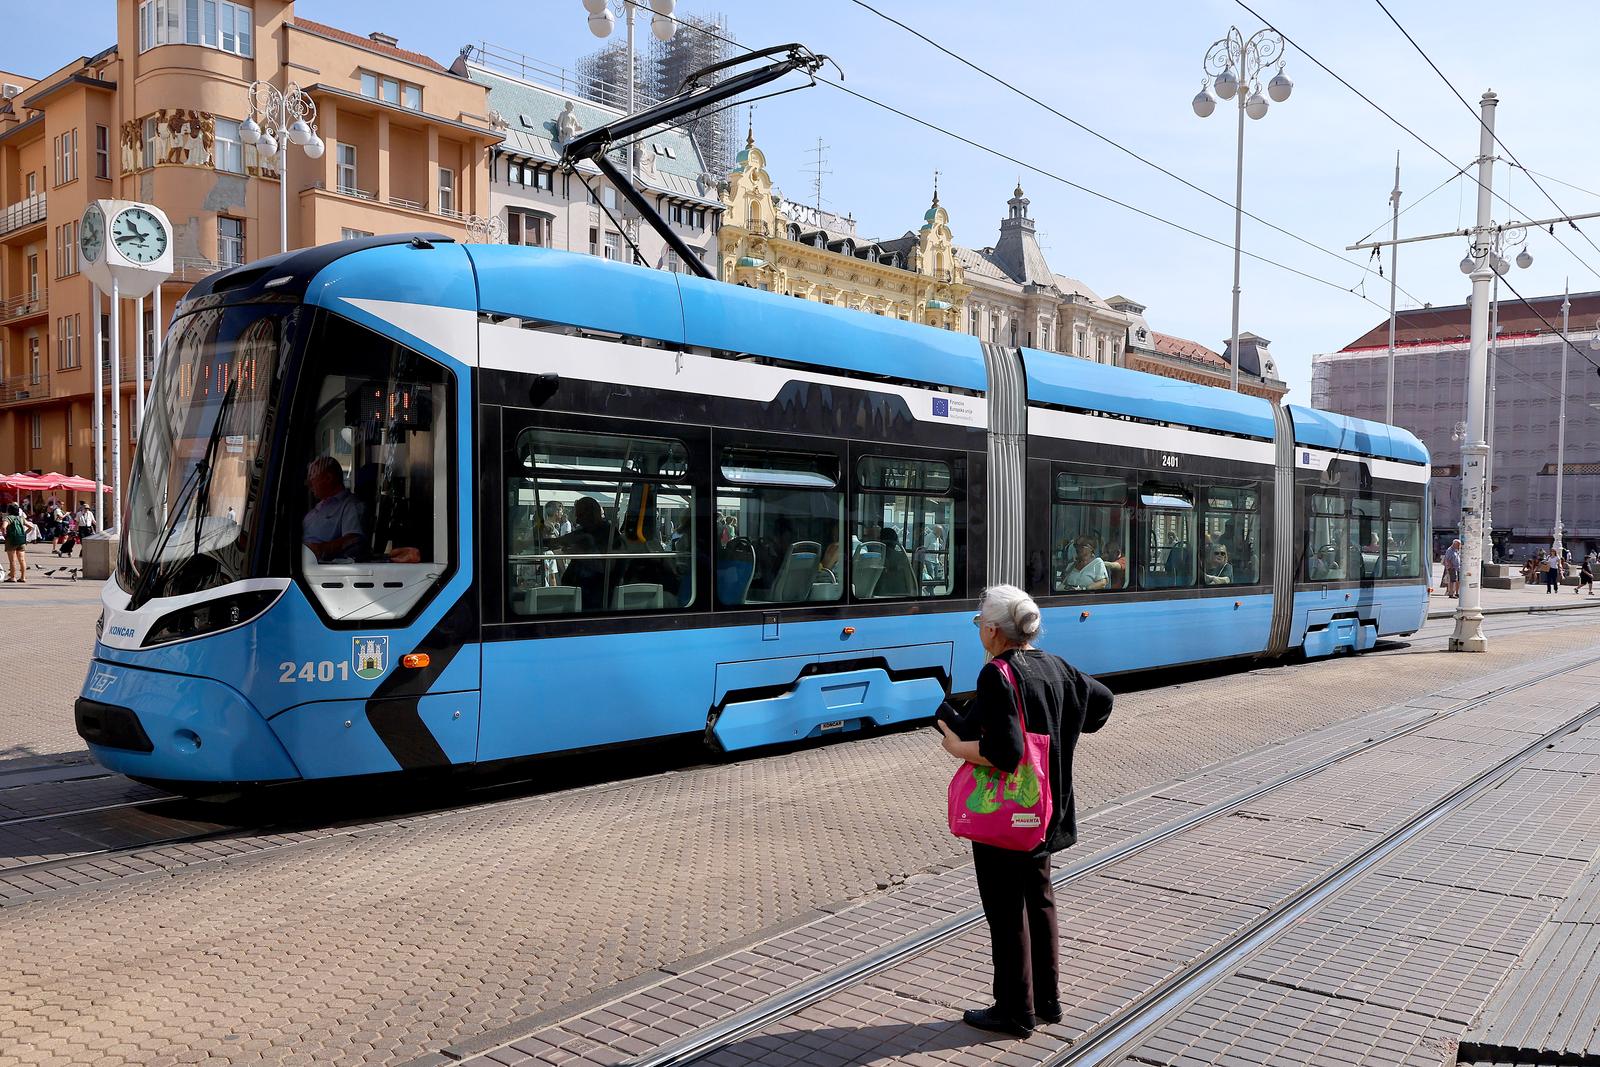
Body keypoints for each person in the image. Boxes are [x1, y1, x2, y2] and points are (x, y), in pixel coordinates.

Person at [936, 585, 1114, 1037]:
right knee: (1039, 901)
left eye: (979, 624)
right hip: (1049, 809)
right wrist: (1065, 728)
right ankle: (1047, 1001)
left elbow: (1006, 751)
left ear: (994, 630)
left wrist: (958, 745)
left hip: (1009, 815)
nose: (980, 631)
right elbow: (1103, 701)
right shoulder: (1056, 666)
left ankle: (1014, 1010)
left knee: (1005, 909)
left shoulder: (998, 674)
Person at [302, 455, 421, 564]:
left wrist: (320, 549)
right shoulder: (319, 506)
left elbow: (354, 540)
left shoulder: (351, 506)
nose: (308, 483)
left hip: (318, 565)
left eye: (312, 476)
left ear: (328, 478)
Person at [552, 496, 620, 610]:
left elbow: (605, 565)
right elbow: (560, 541)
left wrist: (579, 552)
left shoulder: (601, 531)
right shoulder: (590, 530)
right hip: (585, 590)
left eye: (580, 515)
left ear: (590, 514)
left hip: (594, 592)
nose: (577, 520)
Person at [3, 503, 26, 583]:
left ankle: (13, 577)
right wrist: (24, 534)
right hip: (21, 540)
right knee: (22, 560)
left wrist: (4, 534)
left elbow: (3, 526)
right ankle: (23, 577)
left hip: (11, 540)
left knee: (12, 560)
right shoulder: (21, 518)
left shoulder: (8, 518)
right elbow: (31, 526)